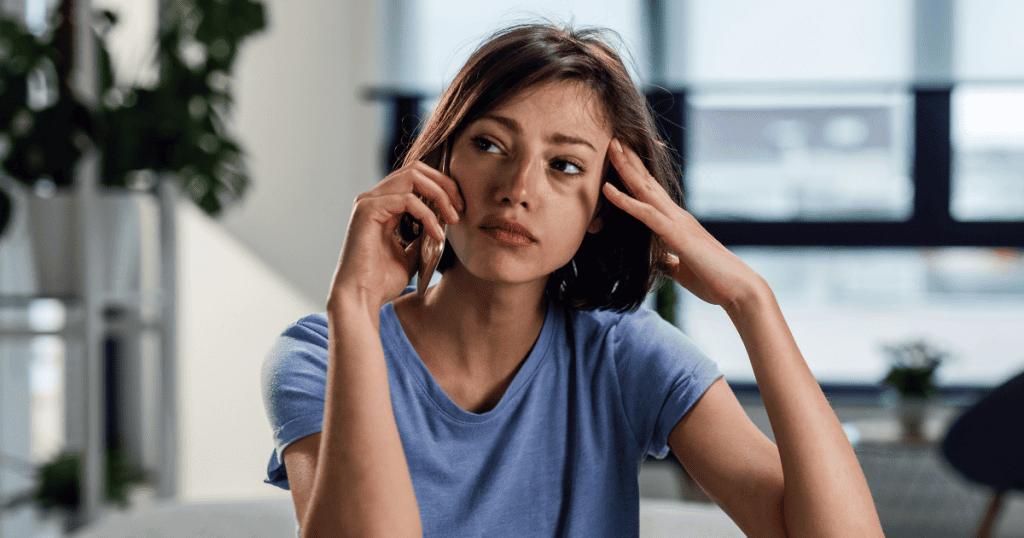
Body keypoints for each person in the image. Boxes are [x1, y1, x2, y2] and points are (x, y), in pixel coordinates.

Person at [261, 23, 884, 537]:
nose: (518, 190)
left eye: (564, 166)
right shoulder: (320, 355)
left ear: (600, 211)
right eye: (490, 144)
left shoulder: (623, 352)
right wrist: (354, 304)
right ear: (441, 162)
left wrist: (752, 302)